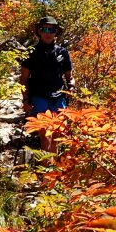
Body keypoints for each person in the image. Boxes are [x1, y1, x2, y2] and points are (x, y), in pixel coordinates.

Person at [19, 15, 75, 154]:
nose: (48, 33)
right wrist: (25, 100)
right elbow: (24, 79)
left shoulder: (62, 52)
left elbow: (70, 77)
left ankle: (54, 169)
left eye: (52, 30)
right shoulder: (31, 53)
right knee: (45, 134)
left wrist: (72, 87)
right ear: (39, 31)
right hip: (39, 97)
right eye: (45, 29)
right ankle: (46, 170)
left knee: (57, 134)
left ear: (56, 32)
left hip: (59, 97)